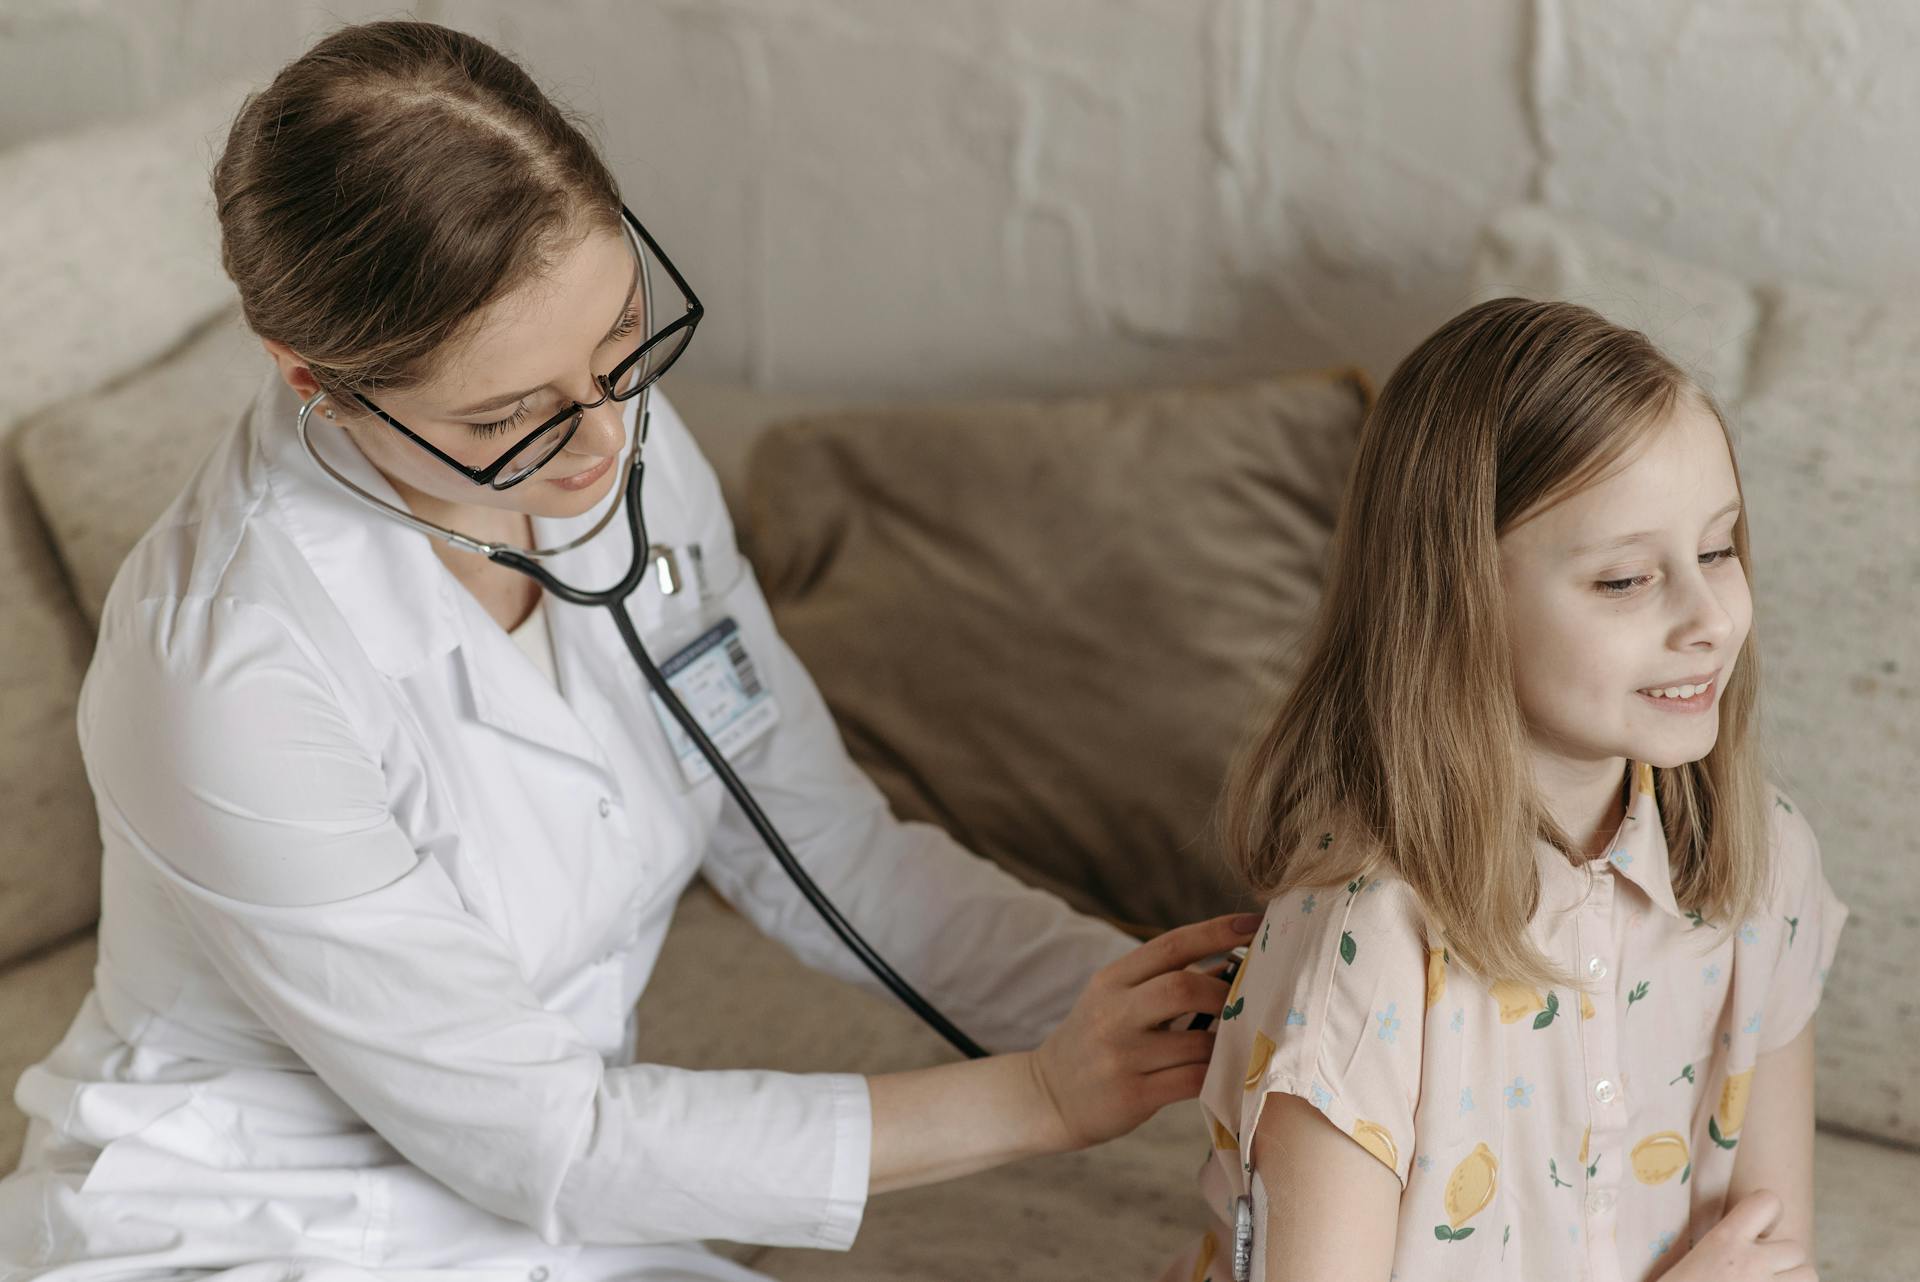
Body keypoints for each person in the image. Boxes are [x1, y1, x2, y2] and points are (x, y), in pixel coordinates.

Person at [0, 20, 1254, 1281]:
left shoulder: (609, 444)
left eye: (620, 340)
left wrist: (1221, 1018)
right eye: (504, 415)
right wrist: (1041, 1096)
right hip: (251, 1226)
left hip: (548, 1200)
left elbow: (827, 850)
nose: (602, 443)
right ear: (310, 379)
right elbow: (542, 1135)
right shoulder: (221, 669)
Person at [1159, 299, 1845, 1282]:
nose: (1709, 619)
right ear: (1457, 602)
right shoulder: (1363, 950)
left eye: (1717, 549)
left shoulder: (1764, 862)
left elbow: (1776, 1257)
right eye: (1624, 580)